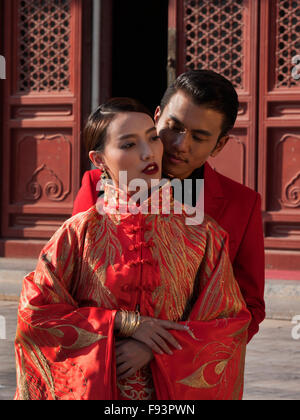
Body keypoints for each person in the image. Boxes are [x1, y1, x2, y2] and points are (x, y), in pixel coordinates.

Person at [15, 98, 251, 400]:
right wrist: (122, 324)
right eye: (128, 145)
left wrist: (154, 347)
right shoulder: (76, 235)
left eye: (153, 137)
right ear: (99, 159)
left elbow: (227, 324)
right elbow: (35, 316)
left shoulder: (203, 234)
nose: (148, 152)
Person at [72, 70, 265, 343]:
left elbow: (248, 309)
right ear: (157, 116)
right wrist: (121, 332)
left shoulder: (241, 204)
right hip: (106, 364)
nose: (179, 145)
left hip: (183, 377)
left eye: (198, 137)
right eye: (173, 127)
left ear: (219, 145)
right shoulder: (97, 186)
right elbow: (68, 288)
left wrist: (161, 351)